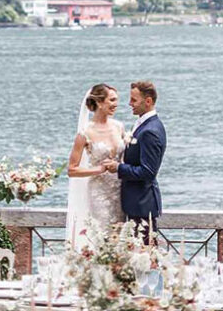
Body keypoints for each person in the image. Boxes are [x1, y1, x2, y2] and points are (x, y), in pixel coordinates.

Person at [103, 80, 166, 245]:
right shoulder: (144, 125)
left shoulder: (150, 131)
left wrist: (118, 168)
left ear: (148, 101)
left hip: (142, 205)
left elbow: (148, 172)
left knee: (144, 253)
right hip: (136, 203)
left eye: (134, 100)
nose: (129, 103)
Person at [66, 83, 125, 247]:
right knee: (103, 235)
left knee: (121, 235)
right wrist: (98, 169)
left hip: (121, 190)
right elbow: (72, 170)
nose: (116, 104)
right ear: (99, 102)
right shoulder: (85, 132)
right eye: (112, 100)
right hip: (99, 192)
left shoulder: (119, 126)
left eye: (116, 100)